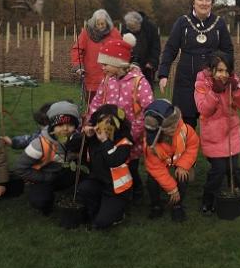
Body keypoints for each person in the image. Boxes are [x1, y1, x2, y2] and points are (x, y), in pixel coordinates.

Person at [86, 34, 154, 204]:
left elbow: (146, 111)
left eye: (106, 64)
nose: (103, 67)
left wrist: (132, 135)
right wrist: (90, 122)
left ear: (118, 63)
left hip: (130, 137)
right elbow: (96, 103)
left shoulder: (139, 82)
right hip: (108, 132)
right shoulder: (107, 80)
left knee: (130, 166)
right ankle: (115, 192)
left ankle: (135, 191)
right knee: (111, 164)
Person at [157, 0, 233, 128]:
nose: (204, 3)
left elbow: (228, 51)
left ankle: (212, 151)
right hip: (186, 82)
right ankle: (185, 149)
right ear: (193, 2)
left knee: (213, 125)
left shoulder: (219, 24)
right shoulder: (182, 22)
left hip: (212, 82)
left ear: (212, 3)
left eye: (207, 0)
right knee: (186, 125)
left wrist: (226, 74)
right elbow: (170, 49)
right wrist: (163, 74)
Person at [194, 52, 240, 215]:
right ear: (211, 70)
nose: (223, 74)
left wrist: (237, 89)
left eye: (227, 71)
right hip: (213, 136)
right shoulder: (202, 84)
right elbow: (203, 109)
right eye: (219, 70)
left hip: (231, 133)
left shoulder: (233, 82)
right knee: (218, 171)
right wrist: (215, 93)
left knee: (234, 169)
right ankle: (208, 199)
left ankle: (238, 196)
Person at [12, 101, 83, 215]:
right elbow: (20, 168)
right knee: (40, 200)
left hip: (63, 173)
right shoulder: (39, 145)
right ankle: (44, 200)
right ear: (52, 125)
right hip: (43, 177)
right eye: (60, 125)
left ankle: (77, 193)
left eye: (70, 125)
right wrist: (45, 177)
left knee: (84, 174)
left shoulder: (77, 140)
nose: (65, 129)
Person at [76, 104, 133, 229]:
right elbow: (72, 146)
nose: (106, 127)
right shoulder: (95, 137)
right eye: (102, 122)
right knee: (84, 189)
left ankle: (119, 213)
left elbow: (114, 161)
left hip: (116, 188)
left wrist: (105, 142)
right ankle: (97, 210)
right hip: (99, 181)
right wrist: (84, 136)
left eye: (110, 123)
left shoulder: (124, 141)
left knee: (102, 223)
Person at [143, 99, 199, 222]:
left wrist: (183, 165)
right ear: (158, 129)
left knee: (183, 176)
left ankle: (177, 205)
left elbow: (193, 145)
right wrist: (172, 188)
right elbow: (155, 168)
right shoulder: (151, 145)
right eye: (169, 126)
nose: (175, 127)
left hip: (180, 160)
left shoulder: (185, 129)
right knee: (152, 179)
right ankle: (156, 205)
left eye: (175, 123)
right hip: (162, 163)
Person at [71, 9, 122, 104]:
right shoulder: (86, 33)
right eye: (98, 24)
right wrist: (78, 66)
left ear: (107, 22)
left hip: (111, 77)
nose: (100, 26)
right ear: (94, 23)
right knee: (92, 106)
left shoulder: (115, 33)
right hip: (91, 77)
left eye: (103, 24)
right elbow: (77, 50)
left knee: (110, 107)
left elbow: (121, 52)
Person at [123, 11, 161, 87]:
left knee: (146, 88)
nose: (132, 30)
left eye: (133, 27)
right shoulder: (126, 29)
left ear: (139, 23)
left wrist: (152, 62)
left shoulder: (151, 28)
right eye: (130, 28)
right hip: (129, 66)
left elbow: (156, 47)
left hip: (147, 67)